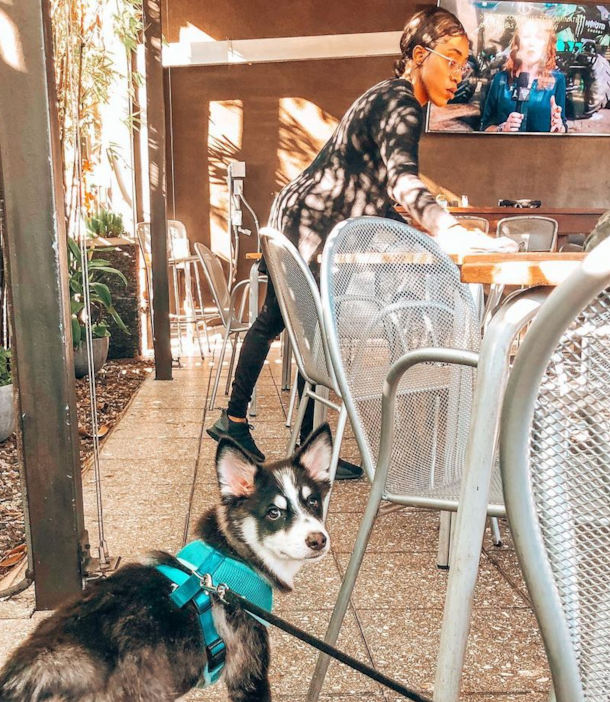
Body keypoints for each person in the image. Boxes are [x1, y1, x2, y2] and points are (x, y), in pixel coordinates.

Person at [206, 7, 516, 471]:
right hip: (317, 226)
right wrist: (451, 229)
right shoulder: (402, 103)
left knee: (285, 324)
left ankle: (256, 431)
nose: (459, 74)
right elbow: (402, 180)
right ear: (418, 55)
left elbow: (367, 174)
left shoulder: (383, 94)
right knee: (311, 332)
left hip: (298, 217)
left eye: (463, 63)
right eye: (450, 59)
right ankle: (301, 453)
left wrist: (409, 216)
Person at [479, 19, 567, 134]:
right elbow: (485, 127)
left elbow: (563, 125)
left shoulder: (556, 80)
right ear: (518, 43)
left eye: (539, 37)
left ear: (547, 45)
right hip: (506, 150)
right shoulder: (501, 79)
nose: (532, 42)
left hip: (541, 150)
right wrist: (502, 129)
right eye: (526, 36)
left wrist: (559, 128)